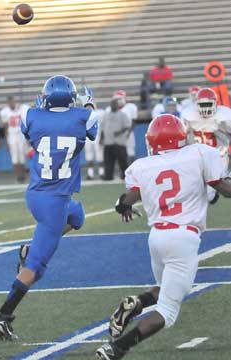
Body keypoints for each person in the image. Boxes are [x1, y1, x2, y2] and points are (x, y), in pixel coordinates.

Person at [95, 114, 231, 360]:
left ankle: (135, 304)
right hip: (184, 237)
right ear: (182, 136)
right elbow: (222, 188)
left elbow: (127, 199)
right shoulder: (199, 153)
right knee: (167, 311)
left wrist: (122, 206)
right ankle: (117, 348)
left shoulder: (142, 166)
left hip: (157, 237)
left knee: (164, 288)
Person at [0, 75, 98, 340]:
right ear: (72, 98)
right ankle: (3, 315)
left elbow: (29, 128)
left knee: (79, 215)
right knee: (35, 268)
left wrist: (41, 108)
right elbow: (92, 127)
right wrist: (90, 104)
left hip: (37, 194)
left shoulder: (31, 115)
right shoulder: (84, 116)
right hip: (55, 202)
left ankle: (30, 248)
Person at [181, 87, 231, 203]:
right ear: (196, 105)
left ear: (215, 103)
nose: (206, 109)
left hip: (219, 155)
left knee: (211, 193)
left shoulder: (225, 115)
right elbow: (182, 135)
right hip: (196, 156)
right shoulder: (188, 114)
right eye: (202, 105)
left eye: (208, 104)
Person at [0, 96, 29, 183]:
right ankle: (18, 176)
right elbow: (5, 127)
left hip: (21, 134)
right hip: (12, 135)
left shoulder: (22, 108)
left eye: (13, 101)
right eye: (10, 102)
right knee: (15, 158)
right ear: (8, 103)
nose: (11, 103)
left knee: (22, 157)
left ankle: (23, 176)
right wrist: (7, 141)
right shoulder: (4, 112)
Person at [101, 98, 131, 180]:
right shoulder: (106, 115)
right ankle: (108, 176)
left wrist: (119, 132)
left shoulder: (122, 114)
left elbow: (127, 126)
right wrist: (101, 138)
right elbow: (102, 128)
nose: (113, 105)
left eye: (115, 104)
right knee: (108, 161)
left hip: (119, 142)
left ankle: (125, 176)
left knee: (123, 161)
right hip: (108, 142)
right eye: (112, 104)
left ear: (118, 105)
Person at [112, 90, 138, 164]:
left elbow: (133, 121)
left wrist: (128, 133)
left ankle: (133, 170)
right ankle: (123, 172)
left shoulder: (130, 107)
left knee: (130, 152)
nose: (119, 101)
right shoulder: (111, 110)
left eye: (120, 99)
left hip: (128, 133)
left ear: (125, 98)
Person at [84, 107, 105, 180]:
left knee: (100, 156)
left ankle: (101, 173)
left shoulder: (100, 113)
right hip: (87, 137)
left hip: (97, 136)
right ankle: (90, 174)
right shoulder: (84, 113)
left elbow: (103, 126)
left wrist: (102, 137)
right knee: (89, 156)